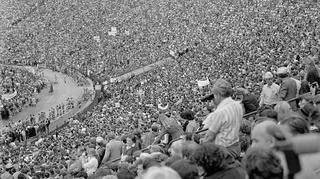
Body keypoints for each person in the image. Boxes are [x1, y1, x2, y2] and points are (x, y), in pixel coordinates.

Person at [251, 120, 317, 179]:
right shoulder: (290, 158)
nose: (252, 146)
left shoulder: (283, 168)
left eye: (256, 141)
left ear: (271, 141)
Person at [202, 79, 244, 159]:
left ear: (217, 94)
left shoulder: (220, 112)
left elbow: (209, 136)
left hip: (224, 151)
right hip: (236, 146)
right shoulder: (238, 105)